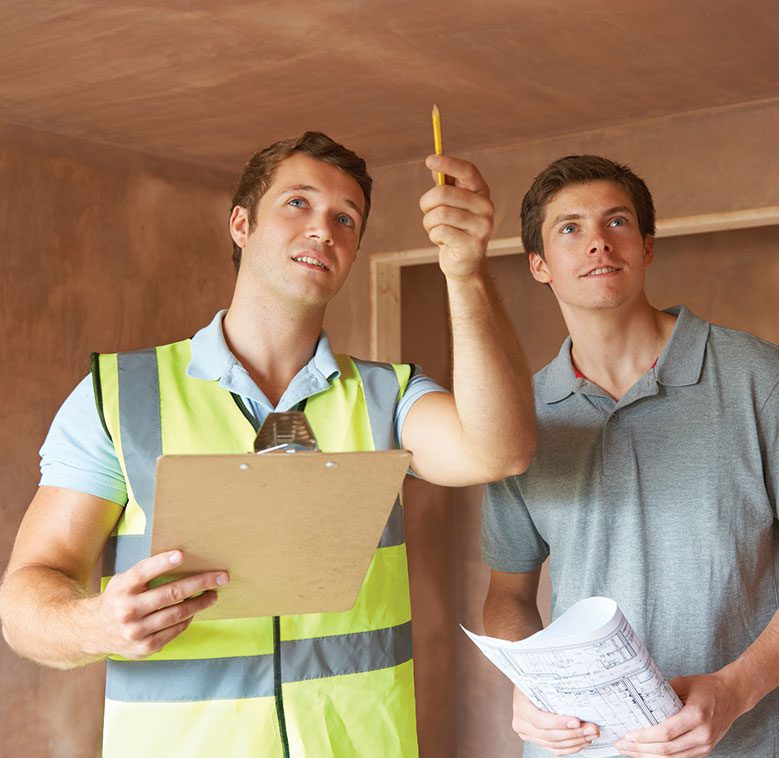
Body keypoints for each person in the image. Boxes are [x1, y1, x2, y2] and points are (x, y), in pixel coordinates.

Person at [0, 131, 536, 757]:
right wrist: (93, 623)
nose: (323, 230)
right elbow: (26, 599)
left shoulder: (389, 395)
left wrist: (467, 273)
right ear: (240, 224)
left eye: (345, 218)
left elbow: (499, 450)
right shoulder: (119, 397)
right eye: (297, 204)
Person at [481, 155, 778, 758]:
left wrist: (736, 688)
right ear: (540, 265)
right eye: (569, 228)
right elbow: (507, 595)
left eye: (616, 222)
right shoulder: (521, 417)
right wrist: (527, 681)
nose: (597, 242)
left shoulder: (760, 379)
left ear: (646, 247)